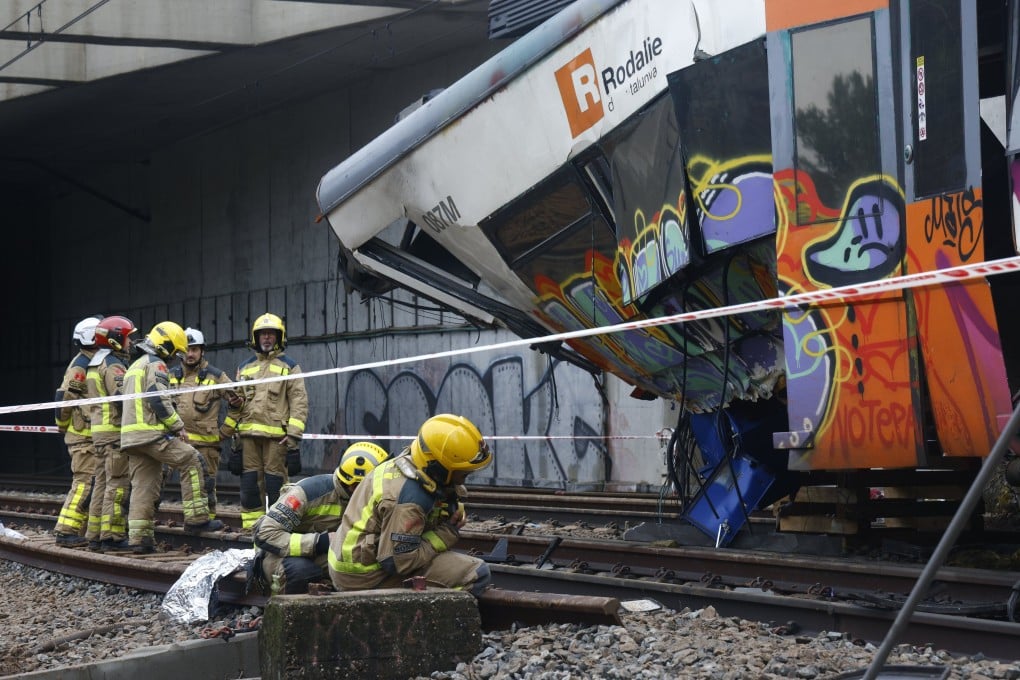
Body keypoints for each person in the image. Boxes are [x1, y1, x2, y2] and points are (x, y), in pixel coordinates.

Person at [328, 414, 493, 596]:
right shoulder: (410, 501)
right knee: (476, 573)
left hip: (354, 565)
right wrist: (447, 533)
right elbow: (398, 562)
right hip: (364, 577)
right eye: (463, 473)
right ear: (440, 469)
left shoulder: (412, 462)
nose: (465, 478)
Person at [120, 321, 223, 554]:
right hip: (151, 434)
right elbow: (157, 398)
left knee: (143, 486)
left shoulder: (135, 365)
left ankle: (139, 538)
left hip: (131, 438)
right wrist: (177, 426)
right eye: (174, 351)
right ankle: (197, 518)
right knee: (192, 460)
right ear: (165, 345)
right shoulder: (156, 364)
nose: (174, 357)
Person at [250, 441, 390, 595]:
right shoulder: (306, 493)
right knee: (301, 572)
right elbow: (265, 534)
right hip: (279, 556)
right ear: (355, 485)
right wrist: (321, 541)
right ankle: (287, 613)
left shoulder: (371, 498)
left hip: (326, 556)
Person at [221, 313, 308, 531]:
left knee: (276, 483)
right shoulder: (245, 367)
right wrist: (234, 408)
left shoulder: (289, 366)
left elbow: (299, 400)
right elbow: (238, 403)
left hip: (276, 438)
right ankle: (252, 530)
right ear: (255, 337)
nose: (266, 338)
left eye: (271, 334)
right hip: (248, 437)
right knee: (250, 484)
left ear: (279, 337)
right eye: (262, 334)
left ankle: (278, 527)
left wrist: (294, 434)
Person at [168, 327, 240, 519]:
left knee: (205, 486)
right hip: (173, 444)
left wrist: (224, 432)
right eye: (186, 350)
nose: (190, 354)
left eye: (194, 350)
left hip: (206, 446)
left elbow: (238, 402)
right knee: (155, 481)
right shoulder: (170, 376)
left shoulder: (215, 376)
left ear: (202, 351)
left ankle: (206, 522)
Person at [85, 315, 137, 551]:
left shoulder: (95, 362)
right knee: (117, 486)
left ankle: (94, 535)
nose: (130, 343)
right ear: (116, 339)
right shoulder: (114, 365)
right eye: (127, 338)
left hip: (99, 435)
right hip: (114, 433)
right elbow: (121, 399)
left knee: (102, 485)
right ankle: (112, 536)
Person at [53, 315, 103, 547]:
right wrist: (64, 427)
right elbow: (64, 398)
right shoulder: (81, 365)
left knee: (92, 482)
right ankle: (66, 531)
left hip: (89, 435)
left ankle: (80, 530)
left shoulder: (91, 361)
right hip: (83, 437)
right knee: (84, 483)